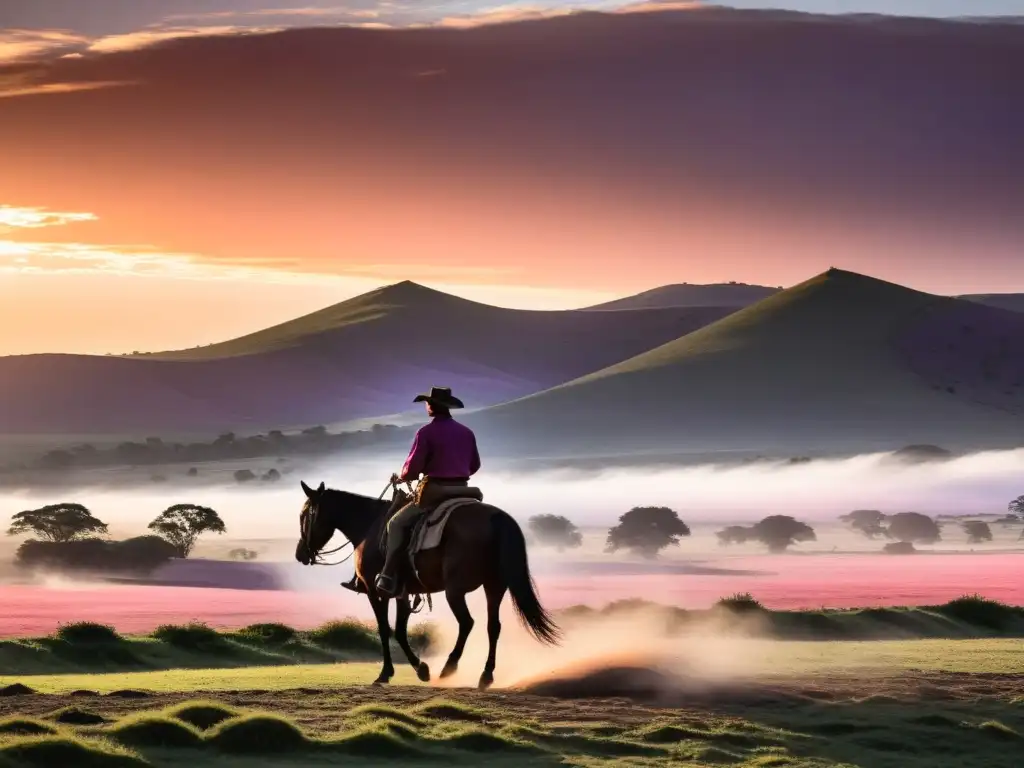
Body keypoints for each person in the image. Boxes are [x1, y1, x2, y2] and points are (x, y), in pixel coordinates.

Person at [368, 386, 481, 597]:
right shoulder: (467, 432)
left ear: (432, 406)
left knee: (396, 523)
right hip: (464, 491)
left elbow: (412, 470)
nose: (426, 406)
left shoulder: (426, 432)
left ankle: (387, 575)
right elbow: (474, 466)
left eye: (427, 403)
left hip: (434, 492)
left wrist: (402, 477)